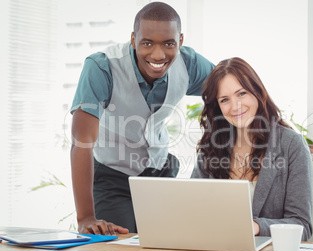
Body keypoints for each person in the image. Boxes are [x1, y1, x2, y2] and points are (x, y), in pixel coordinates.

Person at [70, 2, 214, 235]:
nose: (158, 55)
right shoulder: (102, 67)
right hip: (112, 174)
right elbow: (82, 142)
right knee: (117, 250)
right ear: (134, 40)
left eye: (169, 44)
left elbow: (234, 86)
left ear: (180, 41)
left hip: (159, 171)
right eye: (147, 43)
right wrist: (86, 217)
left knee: (167, 247)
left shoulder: (189, 64)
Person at [191, 57, 313, 241]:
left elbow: (301, 225)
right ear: (218, 107)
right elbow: (192, 211)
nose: (235, 106)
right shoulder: (211, 147)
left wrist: (255, 227)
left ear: (257, 92)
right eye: (225, 100)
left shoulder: (291, 145)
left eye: (241, 94)